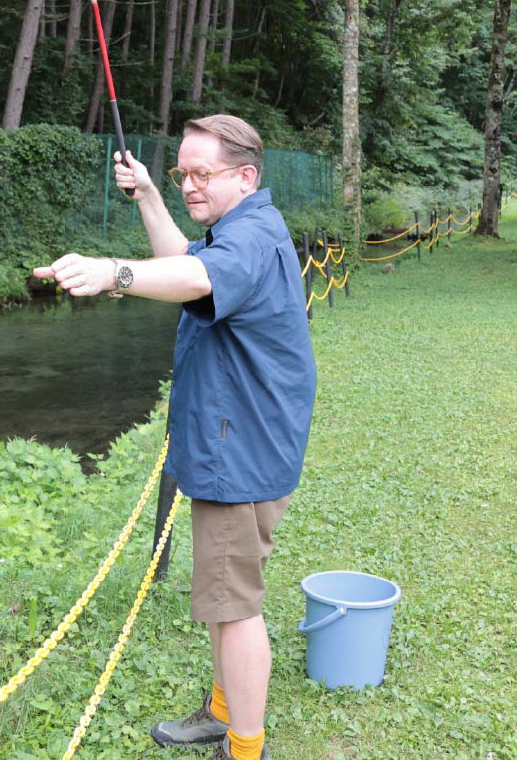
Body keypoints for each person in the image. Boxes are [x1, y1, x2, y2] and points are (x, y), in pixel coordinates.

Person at [33, 115, 316, 760]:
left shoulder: (248, 241)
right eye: (180, 173)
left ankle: (245, 748)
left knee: (233, 605)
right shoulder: (241, 230)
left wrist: (113, 272)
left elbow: (194, 280)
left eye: (201, 174)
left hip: (237, 455)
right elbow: (187, 263)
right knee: (225, 593)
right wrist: (151, 199)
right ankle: (222, 711)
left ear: (246, 176)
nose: (189, 184)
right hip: (241, 445)